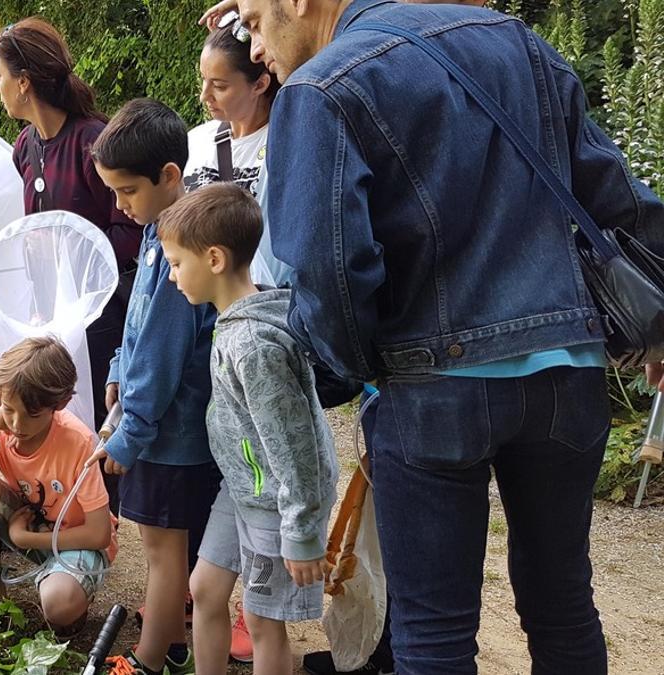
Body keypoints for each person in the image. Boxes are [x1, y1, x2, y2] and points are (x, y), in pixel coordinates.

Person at [201, 0, 664, 673]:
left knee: (433, 640)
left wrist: (358, 372)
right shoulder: (512, 39)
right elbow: (618, 193)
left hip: (432, 386)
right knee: (564, 606)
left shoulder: (319, 88)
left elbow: (328, 274)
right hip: (568, 377)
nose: (254, 46)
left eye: (249, 19)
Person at [156, 183, 338, 675]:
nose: (171, 277)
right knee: (205, 589)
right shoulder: (233, 322)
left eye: (176, 263)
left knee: (262, 620)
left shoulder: (254, 345)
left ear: (213, 258)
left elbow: (293, 443)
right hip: (242, 489)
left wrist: (300, 533)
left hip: (276, 502)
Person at [88, 98, 222, 675]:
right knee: (167, 552)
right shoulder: (156, 231)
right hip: (158, 430)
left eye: (127, 192)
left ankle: (145, 664)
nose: (120, 205)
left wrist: (128, 436)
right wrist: (117, 368)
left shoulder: (179, 250)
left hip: (172, 439)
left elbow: (164, 360)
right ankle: (168, 646)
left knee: (164, 557)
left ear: (170, 177)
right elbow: (137, 332)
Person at [0, 18, 143, 513]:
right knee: (61, 403)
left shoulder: (92, 144)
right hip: (51, 312)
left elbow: (131, 228)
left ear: (23, 82)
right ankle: (67, 504)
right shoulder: (24, 149)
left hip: (101, 313)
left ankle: (105, 517)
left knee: (100, 403)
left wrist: (82, 266)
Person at [0, 336, 117, 636]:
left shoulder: (77, 441)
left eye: (32, 415)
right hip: (32, 523)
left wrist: (26, 538)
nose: (16, 424)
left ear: (60, 404)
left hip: (77, 539)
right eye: (8, 408)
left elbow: (99, 533)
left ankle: (69, 593)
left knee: (59, 605)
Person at [183, 19, 288, 290]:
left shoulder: (286, 144)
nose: (205, 96)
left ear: (260, 84)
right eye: (204, 81)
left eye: (219, 86)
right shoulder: (195, 141)